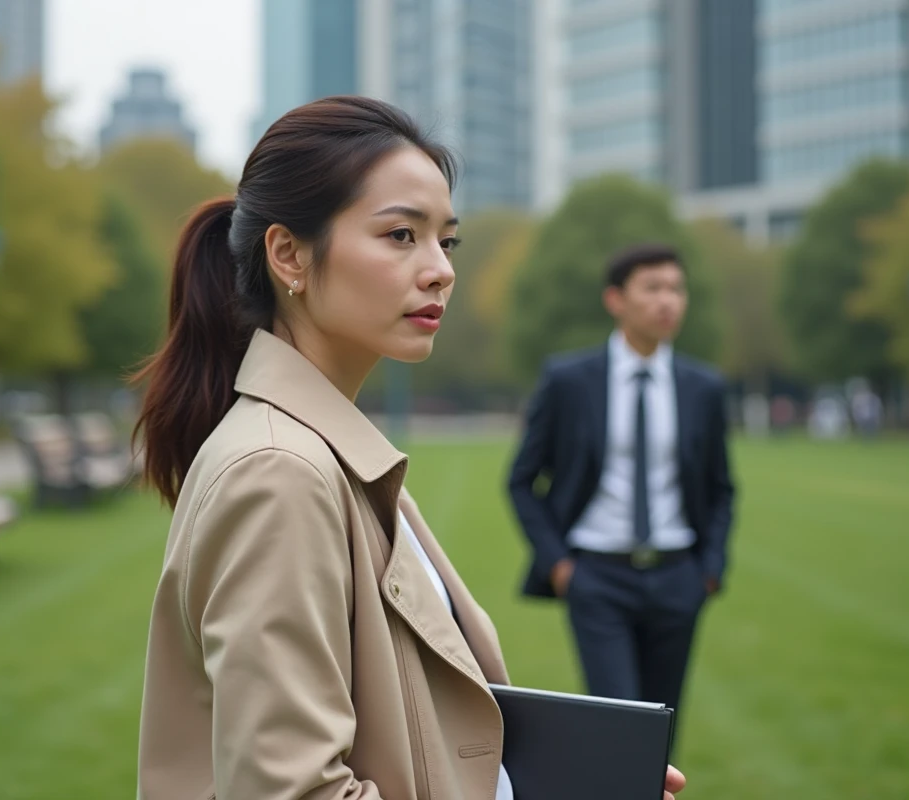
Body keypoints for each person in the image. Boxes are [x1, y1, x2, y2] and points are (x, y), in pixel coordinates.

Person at [131, 97, 688, 799]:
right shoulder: (280, 472)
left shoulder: (328, 453)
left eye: (445, 241)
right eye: (401, 235)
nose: (440, 270)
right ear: (288, 254)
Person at [507, 243, 736, 746]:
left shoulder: (704, 387)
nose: (667, 301)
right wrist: (561, 566)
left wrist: (710, 569)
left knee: (661, 736)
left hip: (679, 577)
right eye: (652, 288)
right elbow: (521, 480)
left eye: (676, 289)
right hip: (596, 579)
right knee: (618, 729)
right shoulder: (569, 380)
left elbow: (721, 488)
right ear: (616, 300)